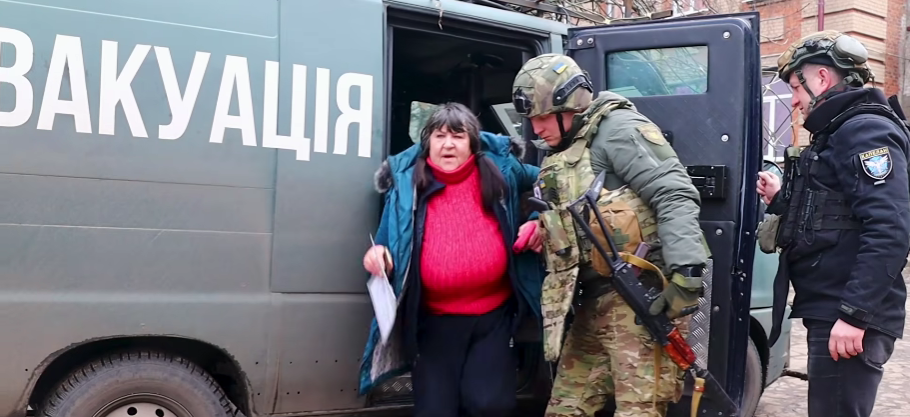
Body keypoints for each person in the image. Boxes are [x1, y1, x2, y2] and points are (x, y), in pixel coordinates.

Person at [511, 54, 710, 416]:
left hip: (640, 300)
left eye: (542, 117)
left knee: (639, 411)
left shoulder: (617, 129)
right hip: (591, 303)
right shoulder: (565, 147)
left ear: (568, 105)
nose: (535, 129)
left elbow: (673, 193)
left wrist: (687, 273)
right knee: (564, 409)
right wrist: (544, 226)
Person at [356, 101, 545, 417]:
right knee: (435, 411)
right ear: (427, 142)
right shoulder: (405, 184)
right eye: (439, 136)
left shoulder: (504, 170)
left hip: (493, 318)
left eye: (457, 136)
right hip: (432, 321)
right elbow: (386, 245)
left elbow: (553, 182)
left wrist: (540, 221)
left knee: (489, 405)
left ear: (472, 143)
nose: (448, 144)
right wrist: (379, 257)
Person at [756, 30, 910, 417]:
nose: (793, 100)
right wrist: (781, 198)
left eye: (796, 87)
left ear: (822, 78)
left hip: (849, 314)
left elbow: (891, 228)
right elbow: (834, 212)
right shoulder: (838, 131)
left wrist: (854, 315)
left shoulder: (865, 131)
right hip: (833, 308)